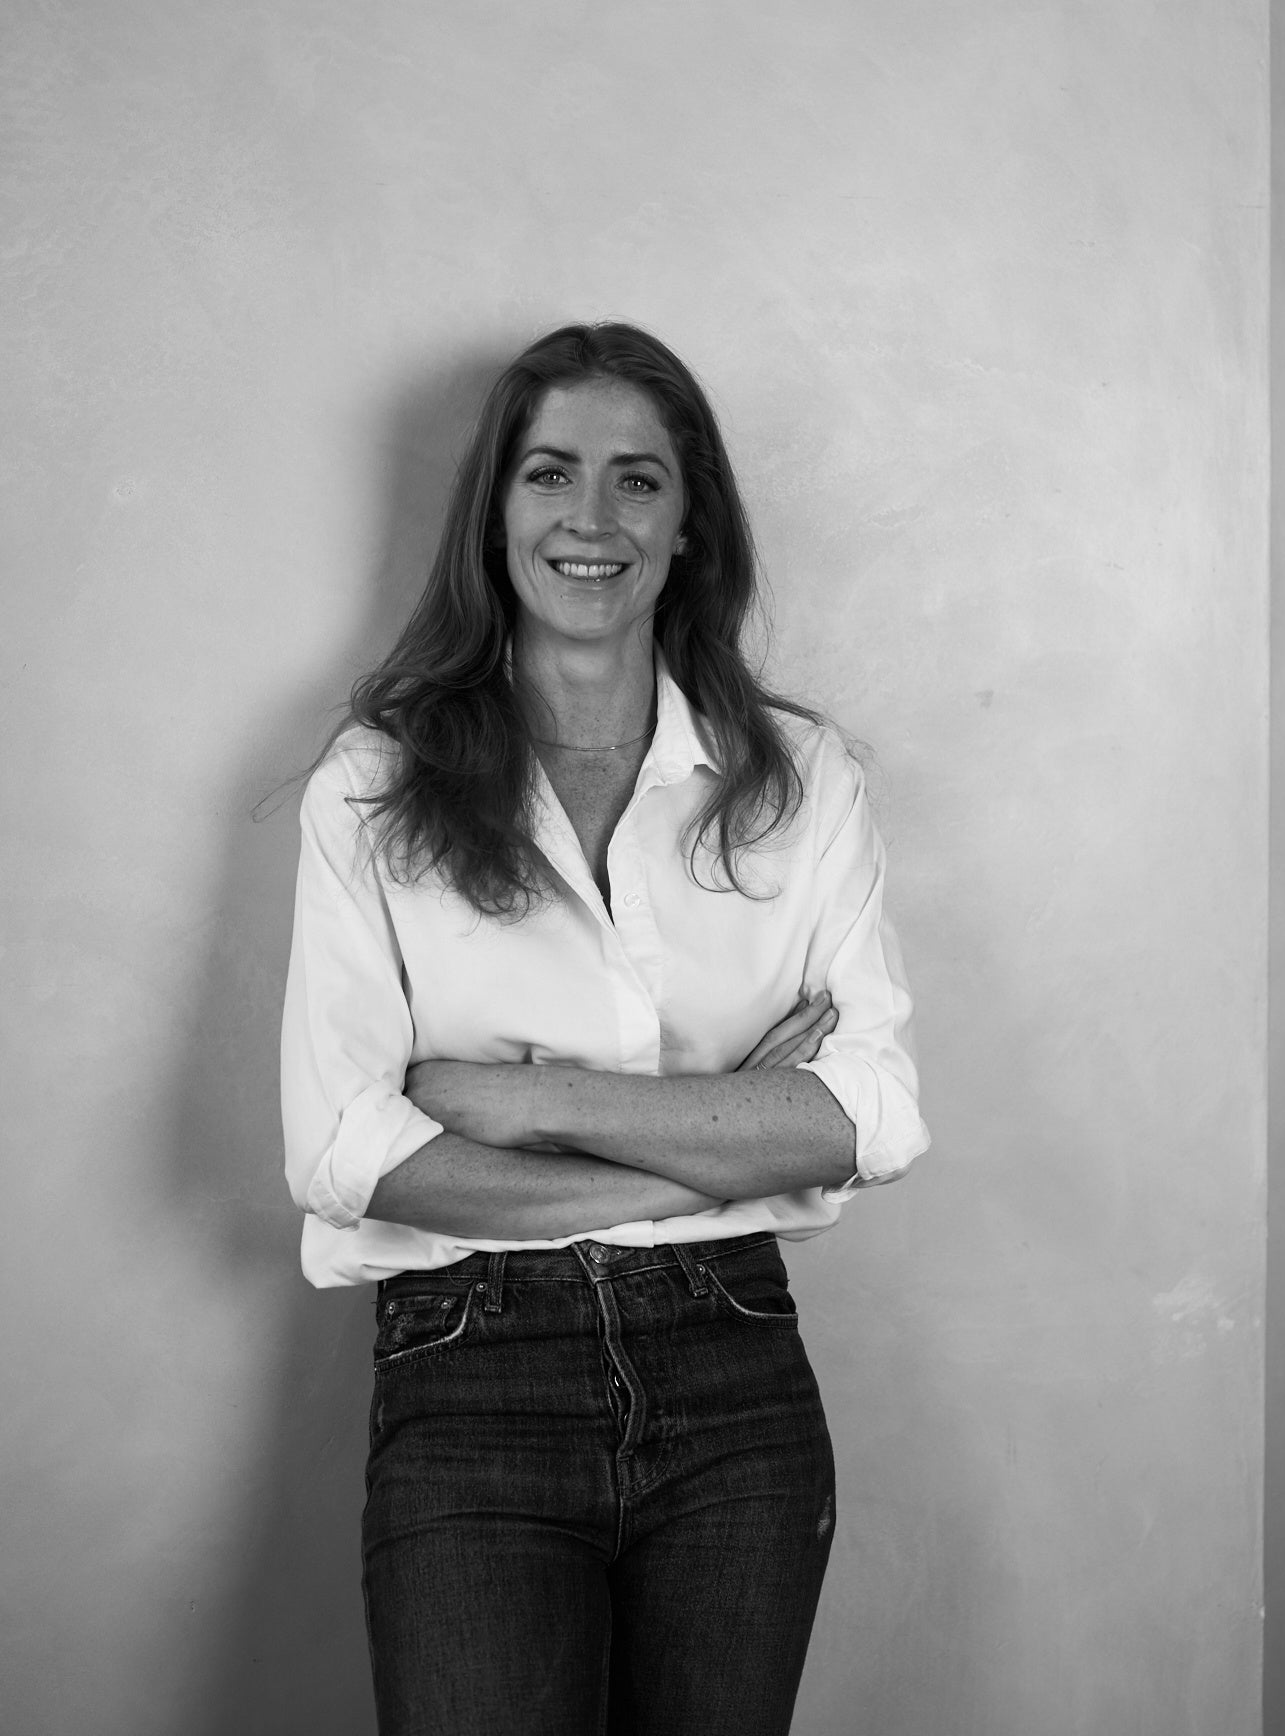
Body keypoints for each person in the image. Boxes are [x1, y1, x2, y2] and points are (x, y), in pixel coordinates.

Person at [280, 321, 929, 1736]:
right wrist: (723, 1148)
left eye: (638, 479)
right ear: (495, 514)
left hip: (734, 1371)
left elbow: (872, 1115)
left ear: (689, 524)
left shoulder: (802, 781)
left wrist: (529, 1101)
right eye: (549, 473)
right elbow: (348, 1152)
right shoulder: (373, 788)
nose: (592, 517)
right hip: (471, 1369)